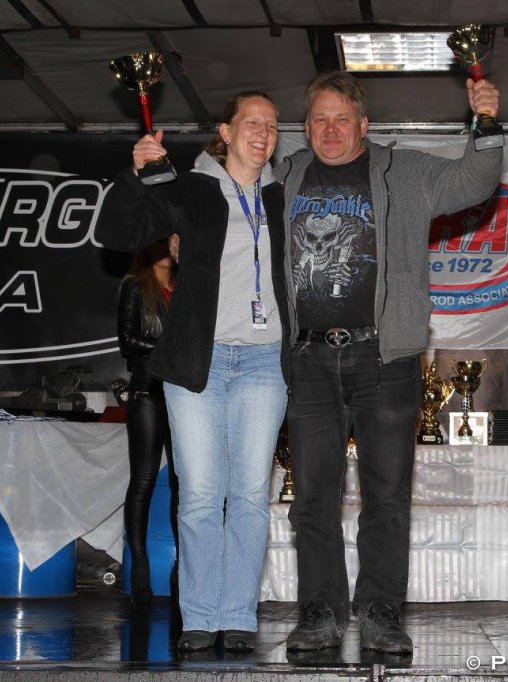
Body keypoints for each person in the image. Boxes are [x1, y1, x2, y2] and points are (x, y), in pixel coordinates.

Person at [278, 71, 503, 654]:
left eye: (342, 119)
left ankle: (380, 610)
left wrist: (486, 124)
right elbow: (225, 193)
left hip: (385, 356)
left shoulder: (405, 171)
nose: (331, 130)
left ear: (364, 125)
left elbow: (475, 181)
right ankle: (320, 611)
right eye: (320, 119)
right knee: (312, 497)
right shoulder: (285, 175)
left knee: (386, 495)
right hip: (307, 358)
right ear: (306, 127)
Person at [95, 91, 289, 653]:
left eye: (272, 126)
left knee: (249, 495)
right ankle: (201, 615)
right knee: (201, 494)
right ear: (225, 132)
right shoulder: (189, 189)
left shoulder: (284, 196)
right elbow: (115, 234)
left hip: (264, 360)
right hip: (196, 361)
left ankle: (239, 615)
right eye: (252, 122)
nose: (263, 133)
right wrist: (134, 174)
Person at [117, 238, 176, 607]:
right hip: (148, 390)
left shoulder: (187, 287)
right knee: (143, 479)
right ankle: (139, 566)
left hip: (184, 394)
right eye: (165, 241)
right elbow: (127, 341)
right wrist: (170, 352)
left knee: (184, 483)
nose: (171, 248)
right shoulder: (136, 287)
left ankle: (182, 569)